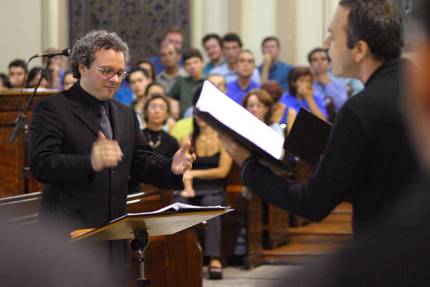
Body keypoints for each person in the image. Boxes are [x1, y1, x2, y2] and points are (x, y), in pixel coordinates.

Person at [221, 0, 419, 238]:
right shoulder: (419, 87)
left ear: (359, 50)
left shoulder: (359, 110)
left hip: (389, 255)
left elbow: (312, 204)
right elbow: (388, 180)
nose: (326, 45)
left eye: (332, 37)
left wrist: (248, 166)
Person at [28, 30, 195, 287]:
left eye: (120, 73)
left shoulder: (125, 113)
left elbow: (139, 161)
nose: (115, 79)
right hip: (69, 236)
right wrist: (89, 162)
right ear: (82, 66)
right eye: (106, 71)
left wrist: (171, 168)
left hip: (114, 235)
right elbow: (41, 164)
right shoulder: (53, 109)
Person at [177, 109, 232, 280]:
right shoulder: (188, 137)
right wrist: (188, 182)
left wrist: (195, 174)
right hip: (192, 187)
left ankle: (214, 258)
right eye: (197, 112)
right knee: (179, 202)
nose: (200, 117)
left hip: (214, 188)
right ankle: (183, 256)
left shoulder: (224, 138)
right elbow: (184, 168)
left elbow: (223, 171)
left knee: (211, 204)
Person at [308, 47, 348, 113]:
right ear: (310, 64)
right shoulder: (306, 82)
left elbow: (343, 107)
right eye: (315, 60)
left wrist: (328, 84)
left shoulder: (337, 83)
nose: (319, 62)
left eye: (323, 59)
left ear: (328, 63)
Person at [169, 48, 205, 118]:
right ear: (185, 68)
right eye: (188, 64)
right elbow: (170, 97)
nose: (192, 66)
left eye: (195, 62)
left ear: (202, 64)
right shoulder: (181, 82)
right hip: (183, 121)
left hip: (204, 120)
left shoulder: (209, 82)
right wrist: (172, 102)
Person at [142, 94, 179, 158]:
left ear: (167, 114)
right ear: (146, 111)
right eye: (153, 107)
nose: (157, 111)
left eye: (162, 108)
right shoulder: (137, 137)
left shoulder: (172, 142)